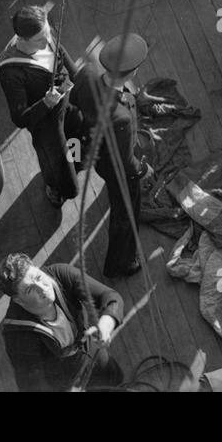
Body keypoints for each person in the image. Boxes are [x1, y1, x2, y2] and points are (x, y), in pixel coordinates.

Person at [69, 33, 154, 278]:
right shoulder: (121, 117)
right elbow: (126, 162)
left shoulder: (85, 74)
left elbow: (74, 101)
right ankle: (120, 263)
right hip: (115, 167)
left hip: (93, 146)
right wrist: (142, 171)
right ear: (133, 71)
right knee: (126, 214)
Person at [0, 5, 82, 209]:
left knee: (78, 130)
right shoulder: (11, 72)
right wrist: (45, 104)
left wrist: (79, 81)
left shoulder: (45, 33)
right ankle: (56, 187)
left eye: (48, 34)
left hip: (65, 101)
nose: (48, 40)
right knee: (57, 163)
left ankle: (75, 160)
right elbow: (20, 117)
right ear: (22, 40)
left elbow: (62, 54)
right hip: (46, 121)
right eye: (41, 40)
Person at [0, 254, 123, 392]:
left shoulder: (60, 275)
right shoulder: (17, 336)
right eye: (30, 289)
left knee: (115, 381)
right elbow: (32, 385)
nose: (42, 288)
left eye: (38, 277)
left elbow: (111, 297)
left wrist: (105, 325)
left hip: (94, 352)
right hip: (65, 380)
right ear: (18, 301)